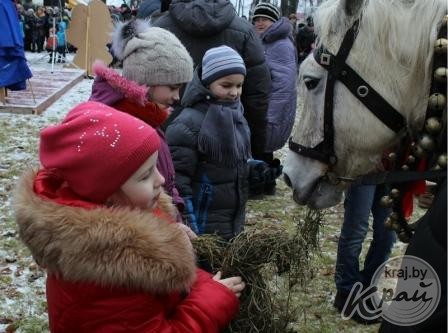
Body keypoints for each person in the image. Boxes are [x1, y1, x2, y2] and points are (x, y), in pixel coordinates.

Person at [14, 101, 245, 332]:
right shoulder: (108, 275)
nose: (161, 180)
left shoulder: (130, 214)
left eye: (156, 168)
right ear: (107, 194)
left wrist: (172, 243)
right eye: (145, 176)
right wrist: (212, 301)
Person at [90, 19, 194, 220]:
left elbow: (165, 184)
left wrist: (175, 212)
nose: (177, 97)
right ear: (146, 80)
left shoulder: (148, 117)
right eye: (172, 87)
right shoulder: (125, 127)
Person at [152, 0, 271, 158]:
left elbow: (141, 89)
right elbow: (258, 98)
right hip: (227, 142)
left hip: (164, 139)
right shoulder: (245, 31)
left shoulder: (159, 28)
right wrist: (257, 151)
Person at [166, 46, 251, 240]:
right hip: (201, 226)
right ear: (207, 83)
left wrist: (254, 172)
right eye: (226, 85)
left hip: (230, 224)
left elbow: (233, 166)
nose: (234, 93)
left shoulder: (237, 116)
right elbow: (178, 182)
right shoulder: (188, 123)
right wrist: (189, 225)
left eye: (239, 86)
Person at [334, 184, 396, 324]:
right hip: (364, 169)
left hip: (389, 171)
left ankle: (367, 289)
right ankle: (346, 292)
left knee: (388, 233)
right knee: (356, 231)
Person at [252, 2, 297, 195]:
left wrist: (270, 115)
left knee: (261, 147)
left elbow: (283, 86)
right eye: (257, 19)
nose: (260, 23)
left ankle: (261, 184)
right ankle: (265, 184)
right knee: (261, 148)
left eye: (265, 19)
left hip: (269, 107)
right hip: (260, 105)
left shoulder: (281, 45)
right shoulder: (261, 41)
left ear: (274, 21)